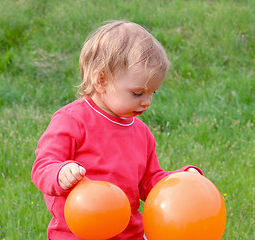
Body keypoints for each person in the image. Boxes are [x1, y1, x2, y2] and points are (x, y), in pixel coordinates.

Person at [31, 20, 202, 240]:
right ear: (101, 80)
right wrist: (60, 172)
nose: (147, 101)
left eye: (153, 93)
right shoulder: (71, 120)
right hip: (78, 234)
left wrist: (178, 181)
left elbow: (149, 182)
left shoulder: (142, 133)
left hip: (129, 234)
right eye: (138, 93)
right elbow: (43, 165)